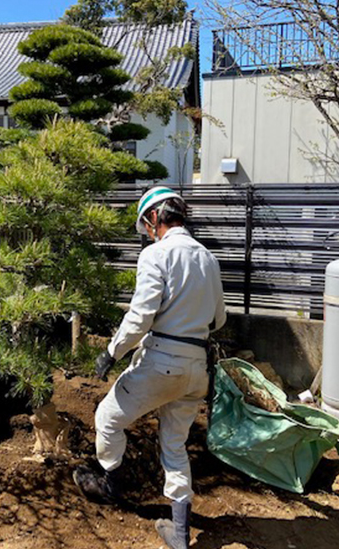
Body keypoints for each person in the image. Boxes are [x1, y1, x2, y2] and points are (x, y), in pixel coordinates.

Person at [73, 186, 226, 549]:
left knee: (108, 418)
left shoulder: (156, 255)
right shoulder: (208, 258)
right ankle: (180, 531)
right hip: (197, 366)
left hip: (162, 361)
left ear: (156, 217)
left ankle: (110, 484)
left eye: (146, 224)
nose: (147, 232)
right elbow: (219, 318)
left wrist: (111, 352)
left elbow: (141, 315)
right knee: (174, 443)